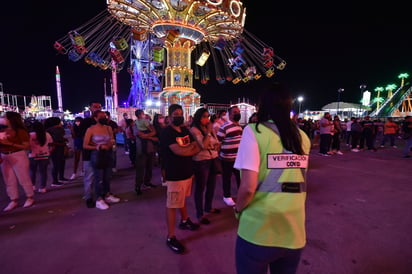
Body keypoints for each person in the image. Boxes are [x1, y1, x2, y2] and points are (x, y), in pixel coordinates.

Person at [233, 82, 311, 274]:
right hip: (293, 231)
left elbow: (248, 187)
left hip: (259, 230)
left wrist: (238, 208)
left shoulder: (254, 132)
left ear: (263, 106)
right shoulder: (302, 137)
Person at [160, 104, 201, 254]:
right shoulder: (166, 133)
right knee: (172, 204)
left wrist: (188, 150)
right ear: (170, 117)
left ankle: (184, 220)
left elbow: (197, 146)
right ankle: (170, 237)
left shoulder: (184, 130)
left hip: (187, 171)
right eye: (176, 114)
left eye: (180, 113)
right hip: (174, 173)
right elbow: (178, 151)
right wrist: (189, 150)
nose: (179, 116)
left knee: (182, 199)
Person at [83, 110, 120, 210]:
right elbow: (85, 145)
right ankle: (99, 199)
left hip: (108, 153)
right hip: (97, 155)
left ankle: (107, 195)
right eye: (101, 117)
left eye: (105, 116)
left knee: (107, 176)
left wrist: (109, 145)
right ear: (95, 118)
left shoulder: (108, 128)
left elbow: (112, 139)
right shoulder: (91, 129)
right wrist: (98, 147)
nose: (104, 118)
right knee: (98, 177)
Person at [190, 108, 221, 225]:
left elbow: (216, 142)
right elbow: (203, 145)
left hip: (213, 158)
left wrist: (212, 142)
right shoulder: (194, 129)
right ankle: (200, 214)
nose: (207, 119)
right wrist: (208, 133)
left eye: (208, 116)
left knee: (212, 186)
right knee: (200, 188)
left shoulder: (209, 128)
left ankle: (208, 207)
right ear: (198, 117)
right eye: (204, 116)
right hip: (201, 161)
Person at [0, 111, 35, 211]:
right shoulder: (2, 130)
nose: (2, 118)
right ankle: (13, 200)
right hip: (4, 156)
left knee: (23, 177)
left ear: (11, 119)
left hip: (17, 154)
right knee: (9, 179)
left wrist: (9, 143)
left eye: (4, 117)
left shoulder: (20, 131)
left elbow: (26, 146)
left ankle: (29, 197)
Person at [217, 105, 243, 206]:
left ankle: (241, 194)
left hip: (238, 158)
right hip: (227, 158)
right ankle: (227, 196)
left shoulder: (239, 126)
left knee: (239, 178)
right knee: (227, 178)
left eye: (238, 112)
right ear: (230, 114)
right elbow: (218, 141)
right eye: (234, 112)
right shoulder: (224, 127)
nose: (237, 114)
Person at [79, 101, 102, 208]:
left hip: (102, 154)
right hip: (89, 153)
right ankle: (88, 197)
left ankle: (100, 195)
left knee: (100, 176)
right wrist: (98, 145)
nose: (97, 108)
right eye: (95, 107)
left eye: (99, 107)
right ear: (90, 108)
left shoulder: (103, 122)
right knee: (89, 177)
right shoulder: (86, 122)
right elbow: (84, 139)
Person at [134, 109, 157, 195]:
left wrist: (146, 136)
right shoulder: (136, 123)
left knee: (149, 167)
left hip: (150, 148)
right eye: (143, 114)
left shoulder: (141, 123)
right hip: (141, 150)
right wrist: (150, 135)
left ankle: (147, 182)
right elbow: (153, 132)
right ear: (140, 115)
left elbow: (154, 132)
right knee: (140, 168)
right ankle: (138, 186)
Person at [28, 121, 53, 193]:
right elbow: (51, 144)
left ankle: (32, 186)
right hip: (45, 155)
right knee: (43, 172)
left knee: (32, 171)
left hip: (33, 155)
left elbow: (27, 145)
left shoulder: (30, 135)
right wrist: (49, 152)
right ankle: (42, 187)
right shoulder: (47, 134)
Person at [45, 117, 69, 186]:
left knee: (56, 164)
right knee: (60, 163)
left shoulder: (48, 130)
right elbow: (60, 138)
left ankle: (57, 179)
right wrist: (63, 142)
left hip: (53, 148)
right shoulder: (59, 129)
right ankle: (58, 179)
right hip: (59, 147)